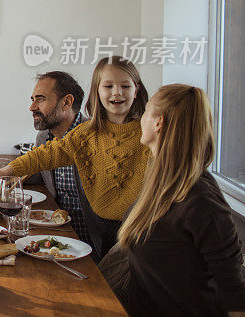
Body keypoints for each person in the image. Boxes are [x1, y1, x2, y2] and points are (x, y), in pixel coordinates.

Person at [0, 56, 150, 258]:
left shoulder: (149, 132)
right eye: (108, 86)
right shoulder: (86, 133)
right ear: (97, 91)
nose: (117, 92)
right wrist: (3, 172)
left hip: (139, 230)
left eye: (125, 86)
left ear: (136, 90)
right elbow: (44, 155)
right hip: (100, 228)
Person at [100, 84, 245, 316]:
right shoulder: (160, 179)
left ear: (159, 122)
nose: (140, 119)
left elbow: (234, 290)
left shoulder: (201, 200)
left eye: (145, 111)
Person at [25, 71, 90, 245]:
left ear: (66, 102)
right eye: (32, 100)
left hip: (92, 242)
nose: (32, 107)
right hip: (56, 235)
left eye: (40, 99)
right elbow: (38, 173)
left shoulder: (93, 137)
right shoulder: (43, 137)